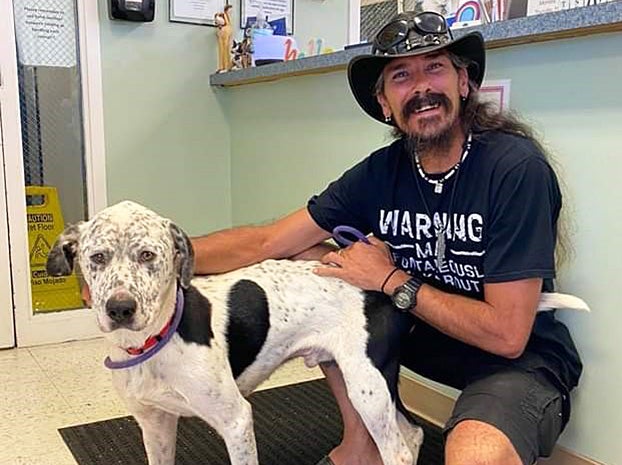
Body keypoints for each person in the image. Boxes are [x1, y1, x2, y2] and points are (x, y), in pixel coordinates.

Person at [192, 10, 582, 465]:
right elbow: (268, 242)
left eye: (435, 67)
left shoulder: (515, 169)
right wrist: (165, 253)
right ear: (384, 104)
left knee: (474, 457)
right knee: (309, 258)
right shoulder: (383, 170)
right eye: (401, 76)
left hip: (516, 361)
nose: (421, 87)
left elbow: (508, 335)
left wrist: (391, 279)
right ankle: (363, 447)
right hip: (420, 333)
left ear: (463, 82)